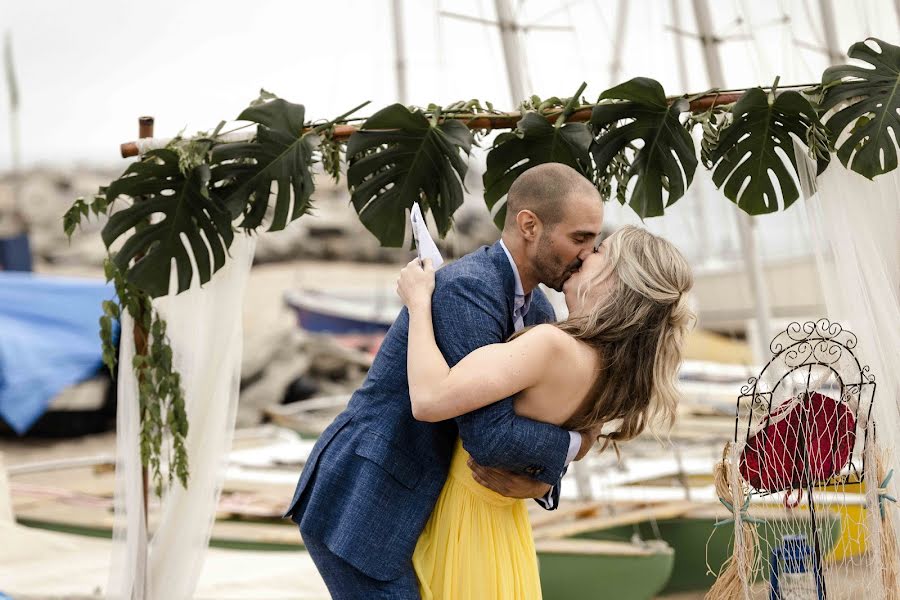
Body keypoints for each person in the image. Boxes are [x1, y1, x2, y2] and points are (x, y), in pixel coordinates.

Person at [285, 162, 603, 598]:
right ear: (529, 225)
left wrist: (545, 482)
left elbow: (535, 420)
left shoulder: (540, 313)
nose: (588, 253)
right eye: (579, 238)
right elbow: (490, 435)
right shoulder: (465, 290)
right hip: (365, 502)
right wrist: (579, 444)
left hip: (423, 509)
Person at [400, 224, 694, 598]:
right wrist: (544, 481)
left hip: (467, 516)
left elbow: (428, 399)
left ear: (616, 280)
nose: (585, 255)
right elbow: (573, 441)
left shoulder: (552, 345)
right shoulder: (615, 374)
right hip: (507, 524)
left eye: (599, 252)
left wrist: (419, 301)